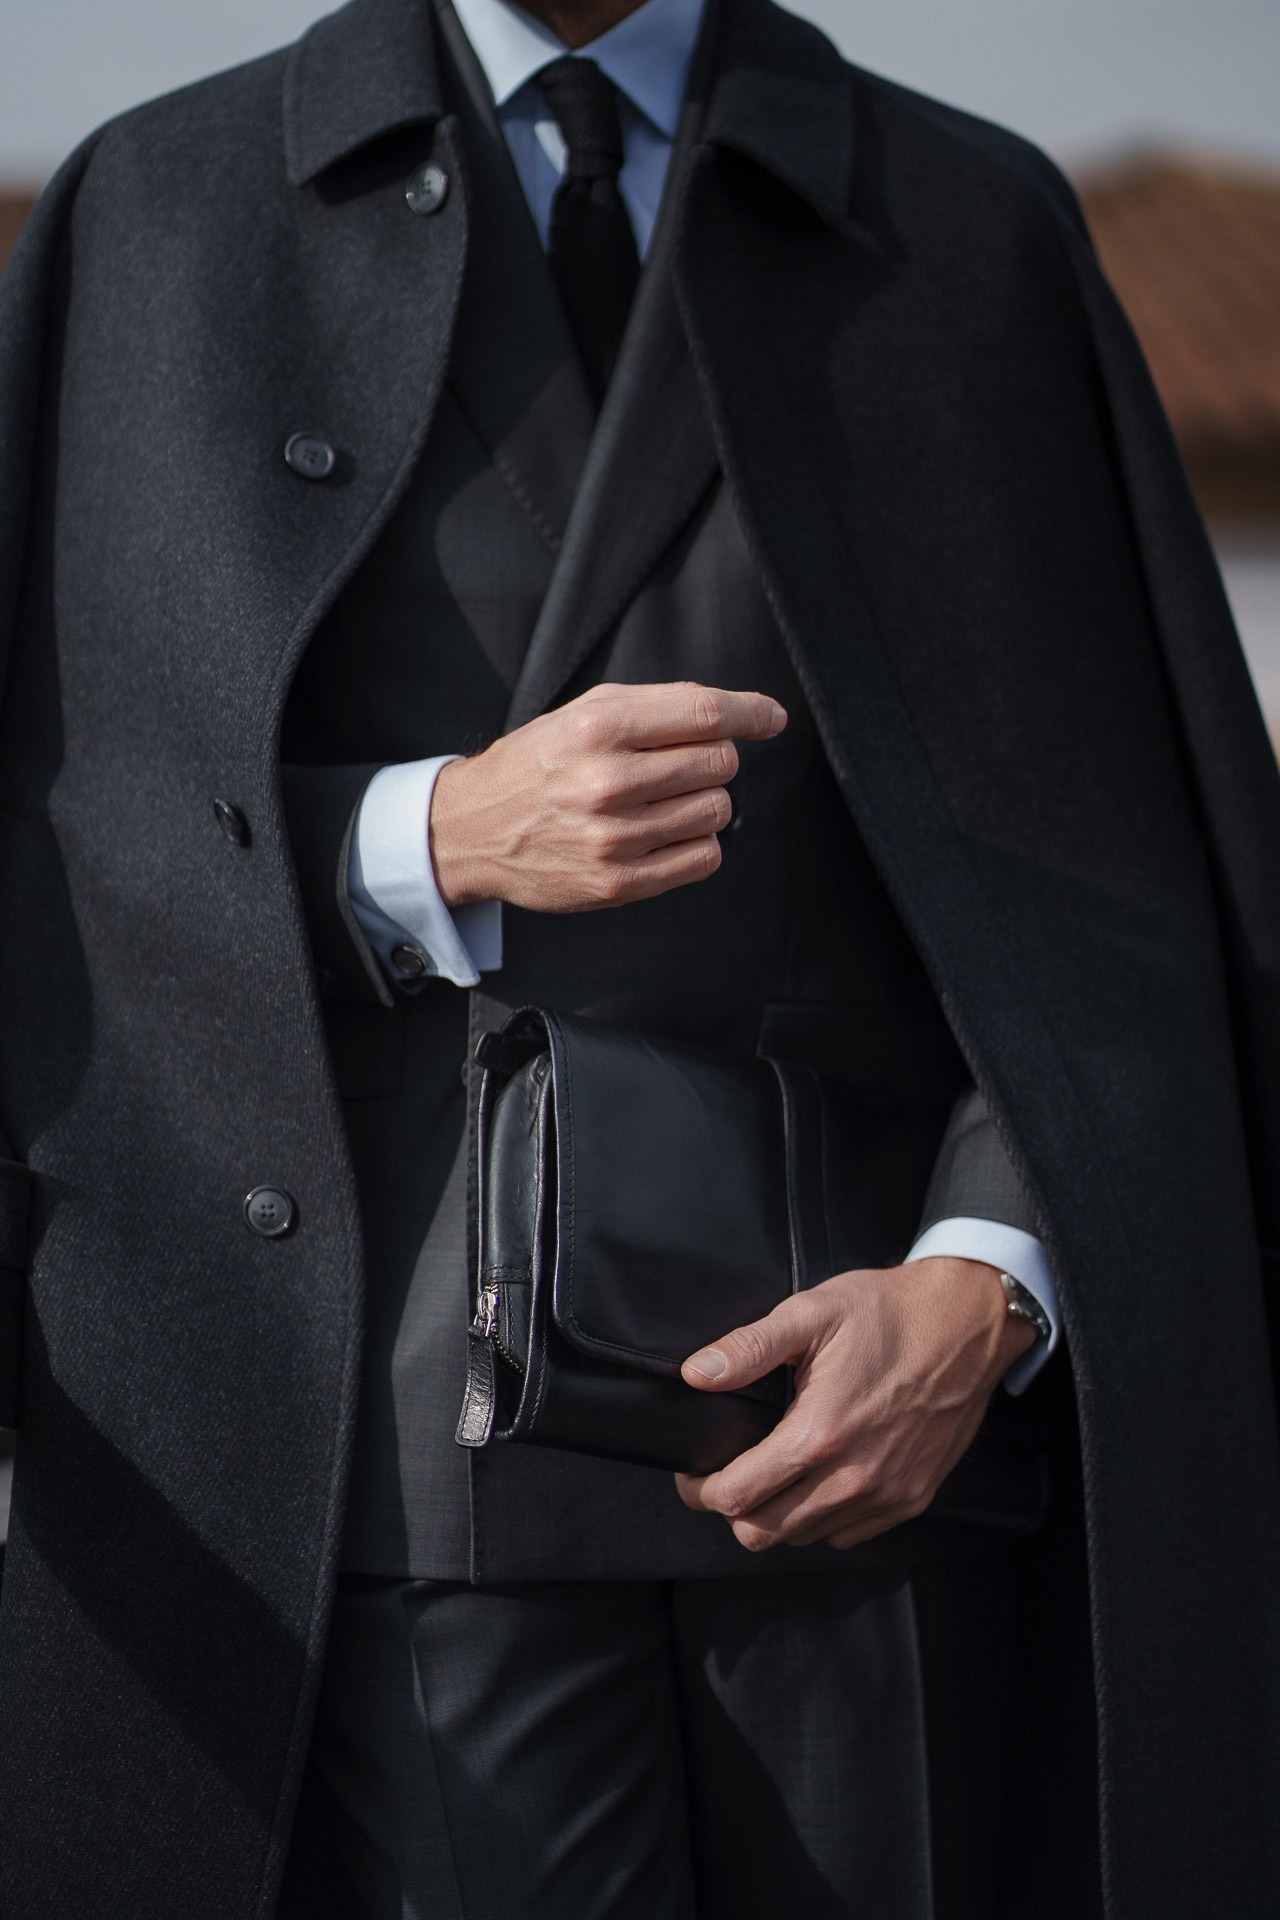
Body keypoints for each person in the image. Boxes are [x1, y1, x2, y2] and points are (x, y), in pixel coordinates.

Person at [0, 0, 1278, 1913]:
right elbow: (54, 825)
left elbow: (1119, 880)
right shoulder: (161, 211)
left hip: (895, 1450)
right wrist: (416, 838)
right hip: (395, 1456)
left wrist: (995, 1284)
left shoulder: (962, 220)